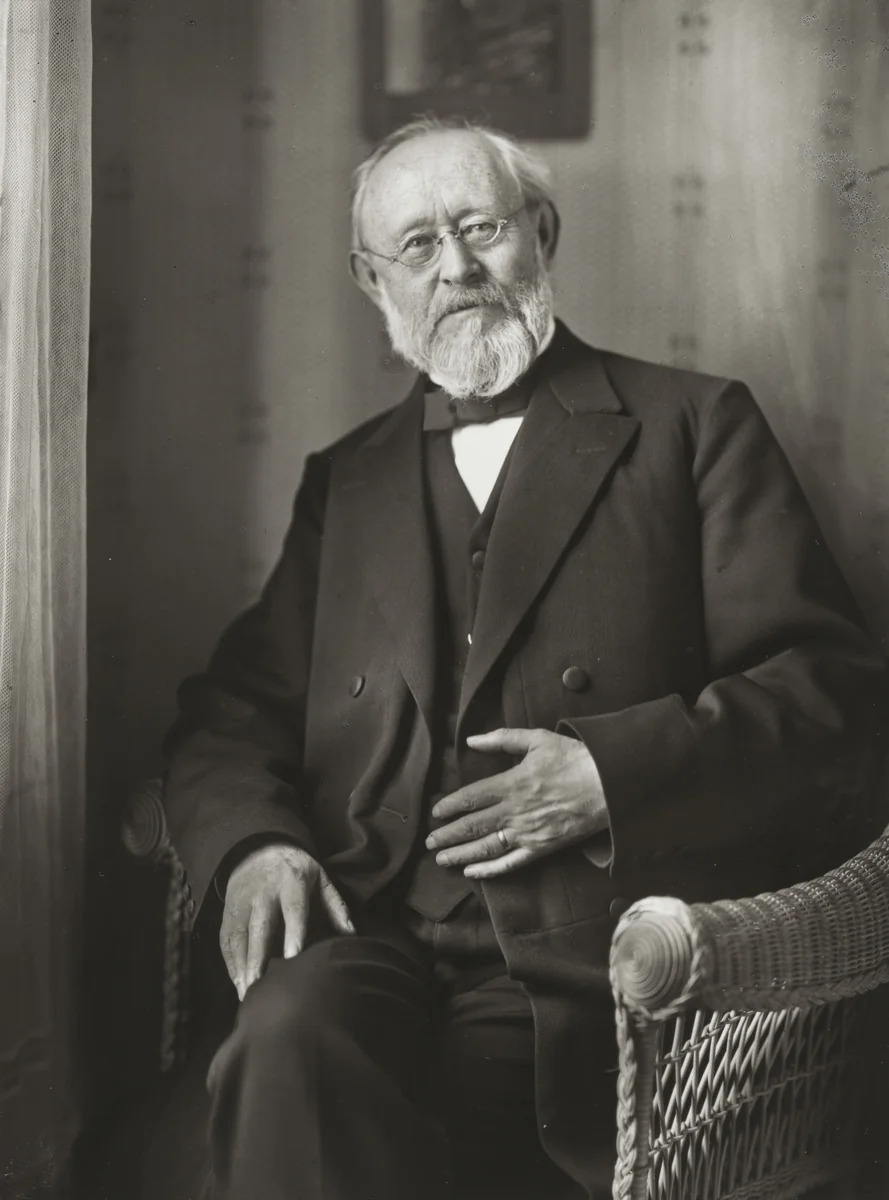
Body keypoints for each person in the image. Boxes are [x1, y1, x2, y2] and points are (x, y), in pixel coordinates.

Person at [160, 118, 886, 1200]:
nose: (454, 267)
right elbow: (231, 714)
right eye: (415, 246)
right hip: (378, 926)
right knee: (286, 1036)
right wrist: (256, 848)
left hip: (588, 959)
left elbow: (831, 699)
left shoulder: (693, 426)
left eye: (480, 227)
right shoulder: (346, 482)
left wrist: (609, 775)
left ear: (539, 230)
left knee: (457, 1117)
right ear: (373, 283)